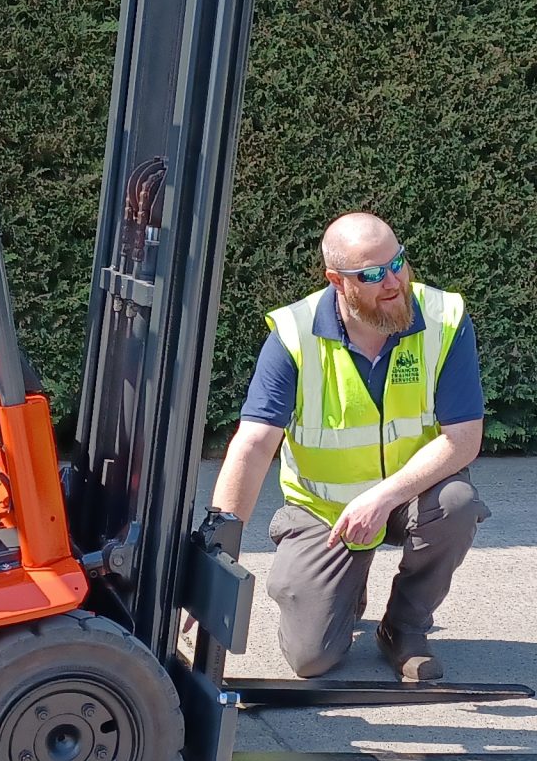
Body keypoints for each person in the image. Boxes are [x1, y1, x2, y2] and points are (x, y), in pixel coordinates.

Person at [205, 213, 486, 684]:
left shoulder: (444, 319)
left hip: (405, 498)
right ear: (336, 281)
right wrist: (215, 556)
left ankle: (404, 627)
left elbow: (463, 440)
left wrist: (380, 498)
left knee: (458, 503)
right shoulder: (294, 336)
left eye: (397, 263)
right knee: (311, 661)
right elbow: (253, 445)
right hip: (323, 512)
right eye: (372, 274)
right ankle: (339, 581)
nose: (393, 281)